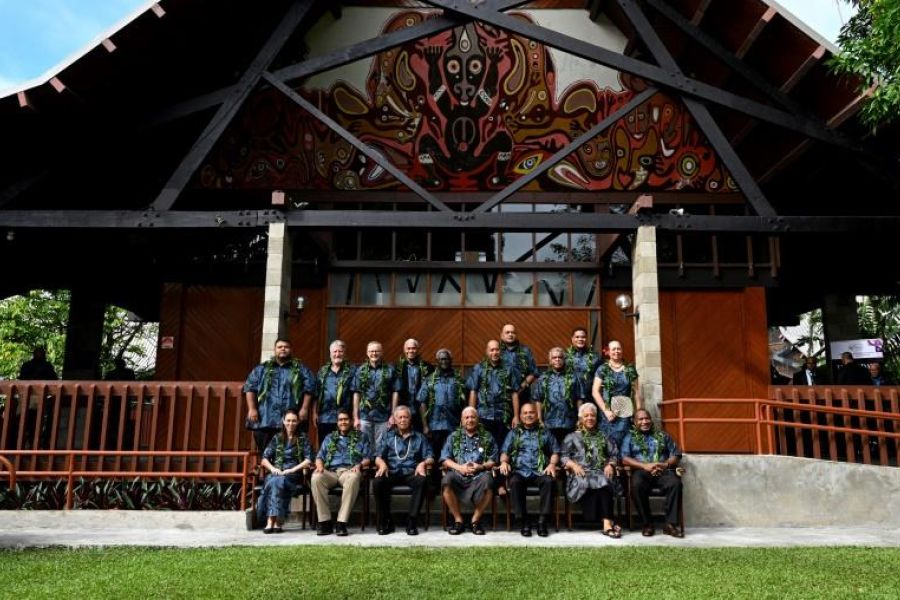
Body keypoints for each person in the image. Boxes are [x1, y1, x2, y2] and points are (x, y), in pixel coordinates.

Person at [243, 338, 315, 452]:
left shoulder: (301, 369)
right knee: (265, 449)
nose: (283, 349)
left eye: (286, 347)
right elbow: (250, 388)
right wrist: (252, 409)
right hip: (266, 417)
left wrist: (304, 409)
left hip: (291, 418)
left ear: (291, 350)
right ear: (275, 350)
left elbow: (309, 388)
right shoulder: (261, 369)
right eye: (280, 347)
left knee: (291, 451)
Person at [620, 409, 684, 538]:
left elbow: (676, 454)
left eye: (647, 418)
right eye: (641, 419)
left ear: (651, 420)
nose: (644, 422)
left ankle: (670, 524)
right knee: (636, 485)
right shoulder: (629, 437)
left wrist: (665, 464)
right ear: (634, 422)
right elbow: (624, 458)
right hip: (641, 471)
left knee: (675, 484)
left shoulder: (662, 435)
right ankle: (647, 524)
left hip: (662, 470)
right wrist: (645, 466)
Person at [499, 402, 560, 537]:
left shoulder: (545, 432)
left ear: (537, 415)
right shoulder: (513, 433)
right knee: (514, 482)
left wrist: (552, 464)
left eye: (531, 412)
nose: (528, 415)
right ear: (520, 416)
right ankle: (524, 521)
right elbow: (505, 452)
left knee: (549, 481)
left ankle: (542, 521)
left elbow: (555, 451)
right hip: (519, 471)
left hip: (540, 471)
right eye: (525, 413)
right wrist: (503, 462)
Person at [373, 406, 434, 535]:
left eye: (405, 417)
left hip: (411, 472)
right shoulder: (388, 436)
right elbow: (378, 456)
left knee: (422, 480)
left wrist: (423, 463)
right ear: (395, 420)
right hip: (391, 471)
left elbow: (430, 457)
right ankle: (386, 521)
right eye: (400, 417)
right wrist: (382, 464)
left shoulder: (419, 437)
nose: (403, 420)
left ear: (410, 419)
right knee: (378, 482)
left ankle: (412, 521)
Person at [561, 403, 620, 537]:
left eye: (592, 415)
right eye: (586, 415)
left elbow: (614, 454)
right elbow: (563, 456)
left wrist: (610, 464)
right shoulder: (572, 437)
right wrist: (574, 465)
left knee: (604, 480)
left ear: (596, 418)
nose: (589, 418)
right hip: (580, 473)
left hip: (600, 472)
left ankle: (607, 524)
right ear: (580, 418)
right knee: (591, 481)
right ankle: (609, 522)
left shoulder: (603, 436)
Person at [311, 410, 371, 536]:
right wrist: (320, 467)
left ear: (351, 421)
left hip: (349, 471)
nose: (343, 422)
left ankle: (341, 522)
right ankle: (325, 522)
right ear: (337, 422)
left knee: (354, 477)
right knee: (316, 477)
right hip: (331, 472)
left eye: (346, 419)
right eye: (340, 420)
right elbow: (319, 457)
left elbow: (368, 458)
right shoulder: (329, 438)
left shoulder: (362, 437)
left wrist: (359, 465)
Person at [440, 407, 498, 535]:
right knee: (446, 480)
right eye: (466, 417)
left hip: (479, 475)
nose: (470, 420)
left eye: (473, 417)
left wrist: (481, 467)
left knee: (489, 481)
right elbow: (444, 459)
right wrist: (460, 467)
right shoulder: (453, 436)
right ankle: (458, 521)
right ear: (461, 420)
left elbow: (493, 460)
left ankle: (475, 521)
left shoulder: (487, 437)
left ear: (478, 419)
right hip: (458, 475)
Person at [257, 409, 313, 534]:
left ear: (298, 422)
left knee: (276, 482)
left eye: (294, 421)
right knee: (275, 480)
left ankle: (271, 521)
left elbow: (309, 459)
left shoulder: (303, 438)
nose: (290, 423)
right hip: (276, 472)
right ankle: (276, 521)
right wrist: (273, 469)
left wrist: (292, 469)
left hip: (293, 474)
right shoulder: (277, 438)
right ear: (283, 421)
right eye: (288, 420)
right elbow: (264, 459)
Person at [417, 348, 465, 472]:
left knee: (452, 456)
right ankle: (435, 482)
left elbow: (464, 403)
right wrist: (425, 426)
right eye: (441, 359)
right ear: (437, 361)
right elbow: (422, 402)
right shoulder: (429, 380)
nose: (444, 361)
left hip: (453, 425)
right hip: (434, 425)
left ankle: (449, 482)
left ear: (451, 360)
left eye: (446, 359)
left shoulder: (458, 380)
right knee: (434, 456)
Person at [592, 340, 642, 448]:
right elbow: (595, 391)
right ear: (608, 352)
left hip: (625, 411)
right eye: (613, 349)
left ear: (622, 351)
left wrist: (638, 413)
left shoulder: (630, 369)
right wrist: (606, 410)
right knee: (608, 443)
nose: (616, 351)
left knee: (625, 442)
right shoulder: (602, 369)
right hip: (608, 412)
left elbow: (636, 392)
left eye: (618, 348)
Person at [467, 339, 518, 446]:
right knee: (484, 446)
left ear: (500, 351)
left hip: (503, 416)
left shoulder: (509, 368)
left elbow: (514, 393)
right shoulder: (479, 368)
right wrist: (471, 414)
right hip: (483, 415)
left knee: (502, 446)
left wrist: (516, 416)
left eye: (497, 350)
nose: (495, 352)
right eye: (492, 350)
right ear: (487, 352)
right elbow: (473, 391)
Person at [352, 341, 400, 451]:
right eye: (371, 351)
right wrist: (356, 417)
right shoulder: (360, 370)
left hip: (383, 416)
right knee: (365, 448)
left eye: (377, 351)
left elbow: (395, 392)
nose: (374, 353)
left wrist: (393, 415)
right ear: (367, 353)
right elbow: (356, 393)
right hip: (364, 416)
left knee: (381, 449)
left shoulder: (390, 370)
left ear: (382, 352)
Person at [533, 347, 581, 444]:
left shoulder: (574, 378)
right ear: (550, 360)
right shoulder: (543, 379)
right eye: (554, 358)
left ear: (564, 359)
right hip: (549, 423)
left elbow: (579, 399)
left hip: (569, 422)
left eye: (560, 357)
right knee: (552, 449)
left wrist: (580, 418)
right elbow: (538, 399)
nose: (557, 359)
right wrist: (539, 419)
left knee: (568, 449)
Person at [314, 340, 356, 443]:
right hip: (325, 418)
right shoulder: (322, 372)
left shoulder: (352, 371)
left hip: (345, 418)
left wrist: (355, 416)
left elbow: (356, 394)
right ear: (330, 354)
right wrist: (314, 413)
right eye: (335, 351)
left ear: (344, 353)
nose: (337, 354)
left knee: (345, 446)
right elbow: (316, 394)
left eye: (340, 351)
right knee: (325, 446)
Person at [396, 338, 434, 431]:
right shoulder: (398, 367)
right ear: (404, 350)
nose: (411, 351)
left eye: (413, 348)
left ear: (418, 350)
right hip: (403, 407)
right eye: (408, 348)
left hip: (421, 408)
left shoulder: (428, 367)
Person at [500, 323, 538, 402]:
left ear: (516, 335)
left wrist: (523, 385)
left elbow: (533, 372)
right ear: (502, 335)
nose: (510, 334)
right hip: (501, 395)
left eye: (513, 332)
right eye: (507, 332)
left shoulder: (525, 350)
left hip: (522, 394)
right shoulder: (497, 351)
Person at [566, 327, 600, 406]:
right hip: (571, 398)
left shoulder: (595, 357)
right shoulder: (566, 357)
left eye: (583, 337)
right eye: (577, 337)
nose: (580, 339)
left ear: (586, 339)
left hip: (589, 397)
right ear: (572, 339)